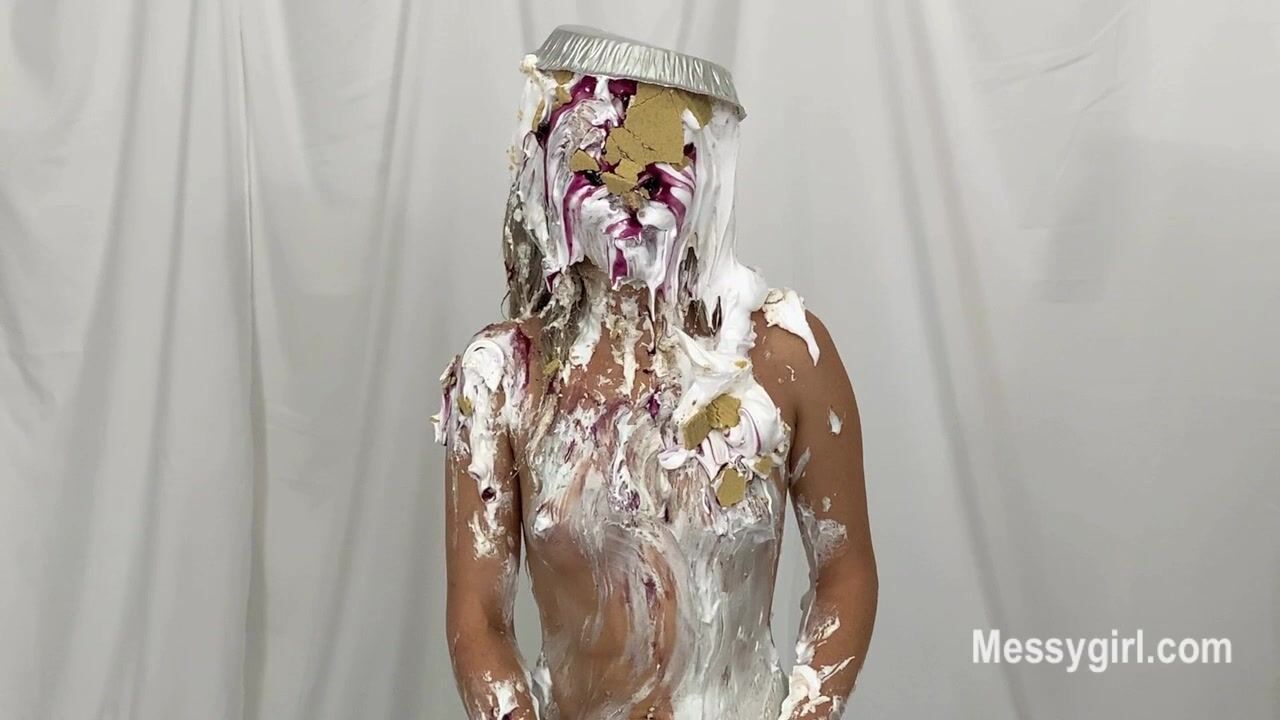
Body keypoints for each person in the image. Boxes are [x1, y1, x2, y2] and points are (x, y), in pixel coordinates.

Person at [435, 25, 877, 720]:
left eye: (657, 159)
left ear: (711, 167)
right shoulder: (501, 378)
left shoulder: (786, 357)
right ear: (545, 160)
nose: (626, 181)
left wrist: (808, 713)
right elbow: (478, 619)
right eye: (597, 154)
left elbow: (845, 571)